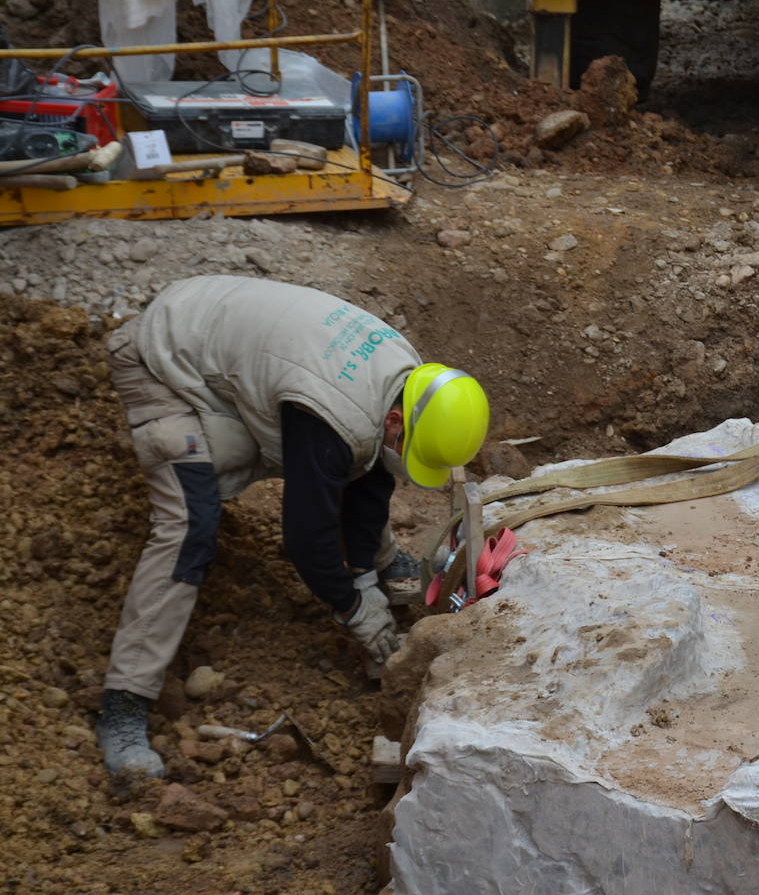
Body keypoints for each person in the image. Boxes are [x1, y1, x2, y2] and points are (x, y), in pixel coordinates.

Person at [97, 275, 490, 780]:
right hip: (162, 355)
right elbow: (306, 534)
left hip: (221, 335)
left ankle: (385, 562)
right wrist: (353, 608)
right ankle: (124, 702)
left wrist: (365, 573)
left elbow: (371, 475)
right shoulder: (330, 414)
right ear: (396, 419)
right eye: (407, 447)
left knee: (351, 458)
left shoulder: (408, 379)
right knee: (191, 524)